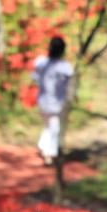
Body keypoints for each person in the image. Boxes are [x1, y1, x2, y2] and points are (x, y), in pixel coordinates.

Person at [32, 36, 74, 165]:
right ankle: (49, 153)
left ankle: (44, 146)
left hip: (47, 100)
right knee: (54, 127)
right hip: (52, 102)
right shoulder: (62, 66)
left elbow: (35, 78)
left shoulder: (43, 63)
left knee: (49, 125)